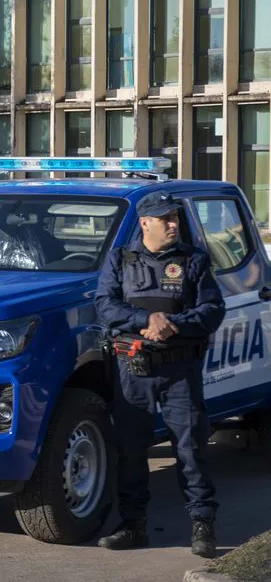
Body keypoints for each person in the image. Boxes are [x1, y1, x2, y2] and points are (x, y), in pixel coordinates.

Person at [95, 191, 226, 558]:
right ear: (145, 222)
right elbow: (105, 305)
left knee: (190, 449)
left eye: (175, 218)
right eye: (165, 218)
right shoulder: (121, 259)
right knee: (131, 450)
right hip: (133, 368)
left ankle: (202, 525)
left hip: (180, 368)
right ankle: (133, 525)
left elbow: (212, 309)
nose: (173, 224)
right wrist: (144, 320)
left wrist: (172, 324)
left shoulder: (194, 261)